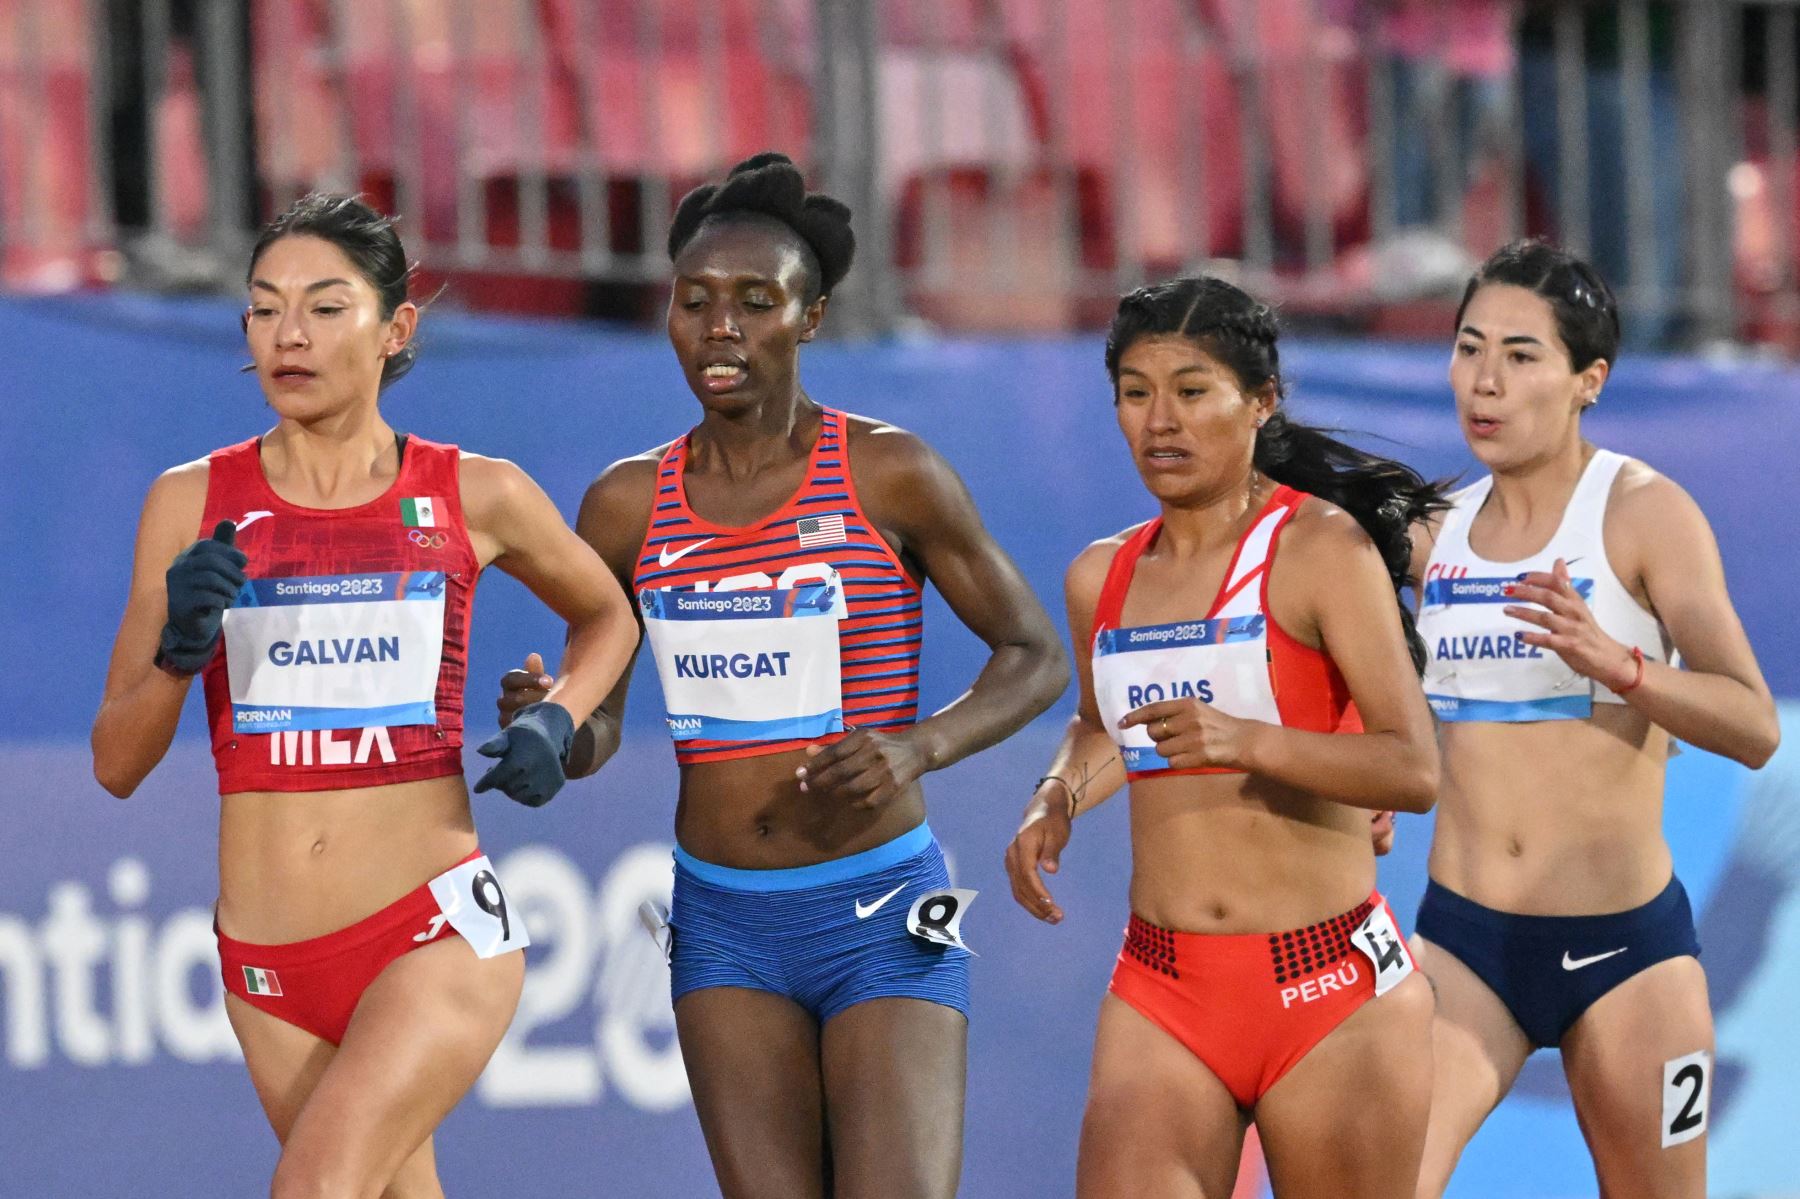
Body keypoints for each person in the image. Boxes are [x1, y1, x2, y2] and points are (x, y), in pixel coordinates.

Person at [497, 152, 1069, 1199]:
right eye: (695, 301)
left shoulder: (890, 472)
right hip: (724, 923)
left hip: (879, 903)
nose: (721, 327)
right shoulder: (626, 505)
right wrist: (557, 725)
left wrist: (918, 745)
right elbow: (603, 727)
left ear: (811, 319)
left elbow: (1036, 652)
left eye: (756, 301)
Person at [90, 193, 638, 1198]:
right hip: (269, 969)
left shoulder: (478, 491)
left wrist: (560, 715)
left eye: (325, 306)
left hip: (432, 931)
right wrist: (178, 653)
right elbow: (116, 763)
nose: (289, 334)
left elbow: (610, 615)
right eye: (265, 308)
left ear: (396, 328)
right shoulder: (189, 502)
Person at [1005, 275, 1447, 1198]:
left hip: (1329, 993)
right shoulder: (1099, 575)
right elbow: (1104, 725)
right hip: (1161, 988)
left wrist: (1248, 740)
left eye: (1192, 389)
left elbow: (1412, 768)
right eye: (1135, 392)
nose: (1160, 420)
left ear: (1261, 401)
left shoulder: (1321, 550)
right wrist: (1057, 796)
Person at [1410, 240, 1780, 1197]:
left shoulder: (1645, 514)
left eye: (1521, 355)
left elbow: (1754, 724)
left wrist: (1621, 666)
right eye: (1468, 347)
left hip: (1628, 954)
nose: (1485, 381)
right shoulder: (1432, 530)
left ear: (1590, 380)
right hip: (1463, 946)